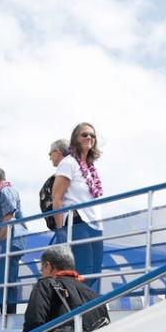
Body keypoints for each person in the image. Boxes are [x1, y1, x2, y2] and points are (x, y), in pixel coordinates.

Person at [14, 245, 109, 332]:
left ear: (48, 266)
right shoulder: (94, 296)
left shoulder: (45, 285)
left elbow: (34, 323)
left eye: (41, 269)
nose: (42, 273)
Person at [53, 122, 104, 292]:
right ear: (76, 138)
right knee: (85, 267)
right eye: (85, 134)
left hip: (95, 222)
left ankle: (78, 300)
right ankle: (76, 306)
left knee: (95, 271)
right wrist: (60, 229)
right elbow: (57, 197)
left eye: (92, 135)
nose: (89, 137)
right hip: (76, 220)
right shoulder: (69, 163)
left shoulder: (91, 167)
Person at [0, 167, 27, 314]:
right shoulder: (0, 193)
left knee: (6, 281)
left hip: (5, 245)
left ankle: (8, 315)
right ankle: (4, 314)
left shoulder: (6, 191)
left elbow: (8, 217)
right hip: (1, 245)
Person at [39, 139, 69, 228]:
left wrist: (59, 228)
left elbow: (57, 199)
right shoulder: (79, 167)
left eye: (50, 154)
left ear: (57, 152)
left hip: (69, 223)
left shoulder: (65, 167)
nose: (50, 158)